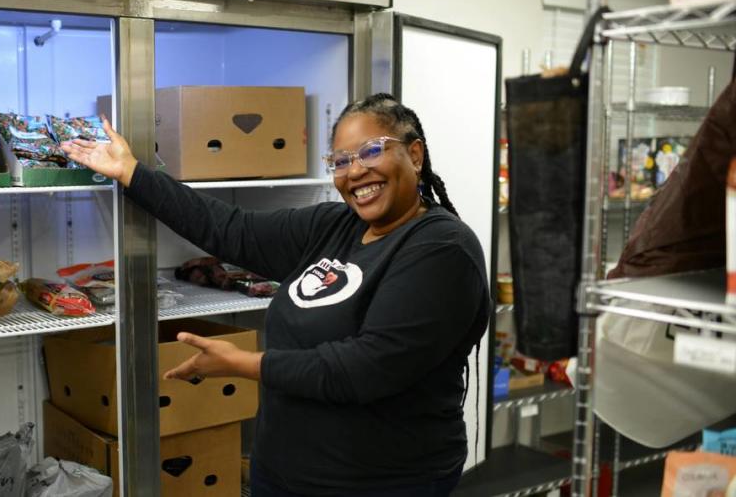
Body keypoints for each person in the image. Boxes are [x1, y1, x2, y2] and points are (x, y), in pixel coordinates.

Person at [61, 93, 490, 497]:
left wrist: (244, 364)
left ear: (414, 155)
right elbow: (231, 228)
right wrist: (133, 173)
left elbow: (366, 367)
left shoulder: (442, 250)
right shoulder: (336, 226)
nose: (355, 171)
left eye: (371, 151)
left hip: (382, 481)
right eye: (341, 160)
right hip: (285, 473)